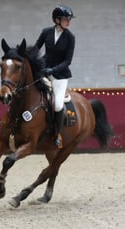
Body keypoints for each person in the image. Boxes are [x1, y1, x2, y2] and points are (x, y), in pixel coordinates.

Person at [35, 5, 76, 149]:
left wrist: (53, 70)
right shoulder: (46, 32)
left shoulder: (70, 37)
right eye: (66, 19)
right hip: (44, 70)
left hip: (60, 75)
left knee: (58, 104)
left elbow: (68, 61)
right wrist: (34, 63)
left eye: (69, 19)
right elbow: (36, 49)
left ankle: (57, 134)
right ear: (57, 19)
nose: (69, 21)